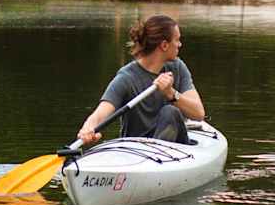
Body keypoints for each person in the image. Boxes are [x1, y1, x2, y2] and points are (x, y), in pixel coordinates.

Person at [76, 14, 204, 147]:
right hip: (136, 151)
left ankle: (157, 153)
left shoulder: (177, 67)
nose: (180, 44)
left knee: (170, 112)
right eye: (177, 40)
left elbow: (198, 113)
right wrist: (88, 129)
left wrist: (171, 93)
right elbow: (102, 111)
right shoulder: (126, 78)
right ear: (164, 45)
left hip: (173, 150)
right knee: (169, 112)